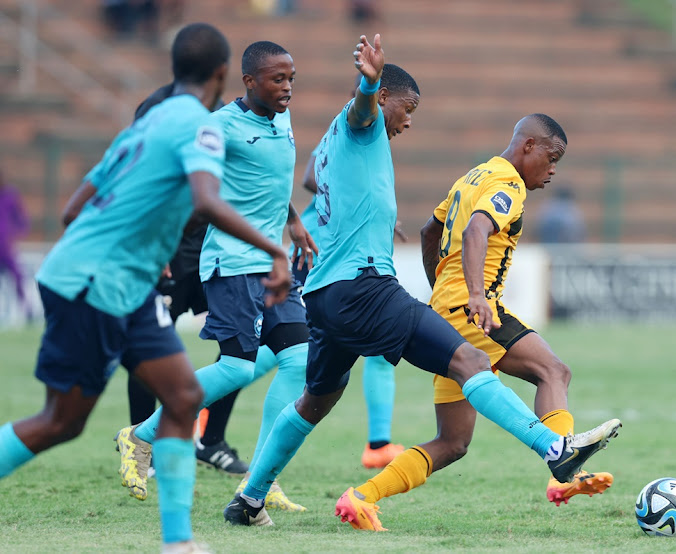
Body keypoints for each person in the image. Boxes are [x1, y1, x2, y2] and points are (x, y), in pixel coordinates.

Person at [221, 34, 621, 529]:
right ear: (384, 98)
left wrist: (369, 211)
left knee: (314, 401)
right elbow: (363, 111)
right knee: (471, 360)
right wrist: (368, 83)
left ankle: (250, 498)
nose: (409, 120)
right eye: (406, 108)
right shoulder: (361, 120)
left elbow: (311, 182)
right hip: (365, 286)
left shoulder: (329, 142)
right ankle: (554, 449)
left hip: (324, 294)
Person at [0, 23, 291, 554]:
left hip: (117, 281)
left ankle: (178, 543)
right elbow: (204, 199)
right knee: (60, 422)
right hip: (94, 284)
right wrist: (274, 250)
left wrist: (145, 253)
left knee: (181, 398)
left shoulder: (148, 122)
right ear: (225, 74)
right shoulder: (201, 126)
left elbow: (71, 209)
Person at [345, 114, 613, 523]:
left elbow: (427, 232)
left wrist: (443, 289)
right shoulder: (507, 184)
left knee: (452, 442)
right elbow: (476, 231)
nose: (554, 168)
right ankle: (562, 469)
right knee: (553, 371)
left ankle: (362, 496)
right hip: (473, 311)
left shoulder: (472, 176)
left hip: (444, 314)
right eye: (552, 156)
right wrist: (472, 294)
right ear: (528, 146)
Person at [115, 40, 313, 513]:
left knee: (300, 359)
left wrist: (292, 219)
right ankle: (142, 433)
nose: (287, 88)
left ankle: (261, 478)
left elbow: (268, 179)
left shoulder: (281, 116)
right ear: (248, 81)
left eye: (291, 78)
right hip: (231, 262)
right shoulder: (218, 128)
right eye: (277, 79)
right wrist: (159, 246)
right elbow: (189, 190)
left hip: (272, 262)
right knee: (238, 367)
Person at [64, 85, 253, 477]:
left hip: (214, 246)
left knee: (241, 344)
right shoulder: (157, 107)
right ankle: (141, 442)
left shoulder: (221, 114)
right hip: (169, 247)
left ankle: (211, 439)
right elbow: (142, 177)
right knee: (149, 346)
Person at [292, 108, 407, 470]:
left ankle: (378, 443)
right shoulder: (348, 128)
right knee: (281, 345)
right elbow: (310, 177)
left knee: (379, 349)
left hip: (337, 254)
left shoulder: (358, 138)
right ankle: (205, 407)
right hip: (323, 250)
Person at [0, 169, 30, 320]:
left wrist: (20, 230)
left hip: (5, 247)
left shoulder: (10, 194)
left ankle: (26, 309)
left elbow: (21, 217)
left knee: (17, 278)